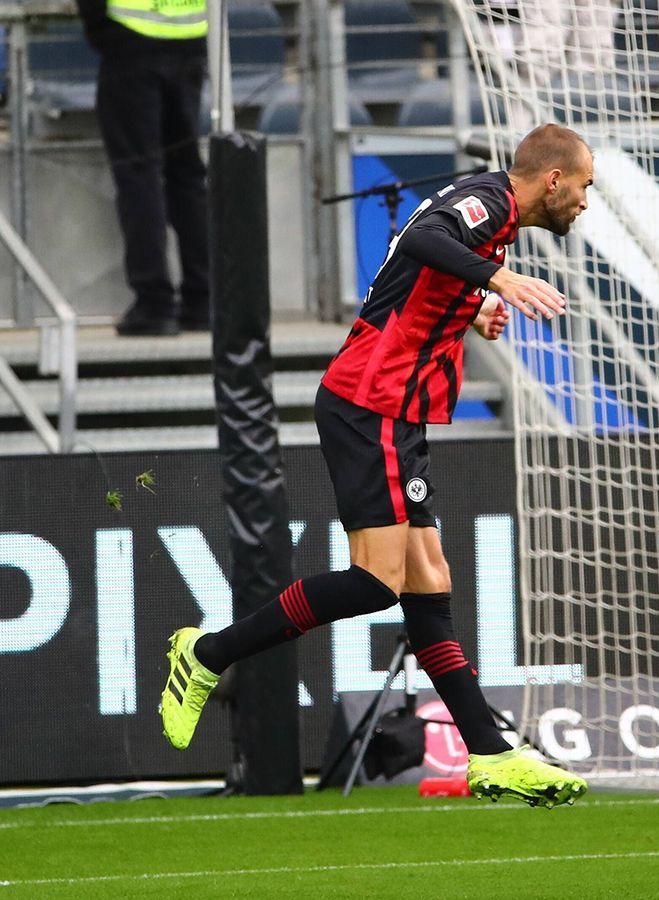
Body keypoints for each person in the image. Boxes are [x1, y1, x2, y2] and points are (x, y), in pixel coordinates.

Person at [160, 123, 595, 809]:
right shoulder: (489, 206)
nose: (585, 202)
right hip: (373, 403)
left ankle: (489, 753)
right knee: (379, 581)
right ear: (553, 180)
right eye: (585, 187)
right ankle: (207, 655)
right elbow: (424, 238)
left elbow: (410, 263)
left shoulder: (491, 212)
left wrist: (474, 305)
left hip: (397, 409)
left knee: (428, 582)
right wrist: (497, 280)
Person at [74, 0, 212, 336]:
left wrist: (103, 31)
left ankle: (154, 304)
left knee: (139, 175)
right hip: (191, 35)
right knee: (187, 176)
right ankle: (203, 300)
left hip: (132, 41)